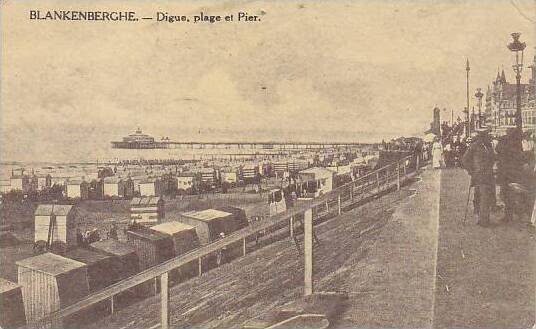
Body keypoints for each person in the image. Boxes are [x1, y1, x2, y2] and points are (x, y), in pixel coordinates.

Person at [461, 128, 495, 226]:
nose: (490, 137)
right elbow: (465, 160)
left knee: (483, 196)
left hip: (488, 174)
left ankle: (481, 218)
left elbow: (492, 158)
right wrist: (471, 171)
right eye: (488, 135)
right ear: (482, 136)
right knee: (483, 196)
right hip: (479, 175)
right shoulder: (474, 146)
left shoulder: (488, 146)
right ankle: (484, 220)